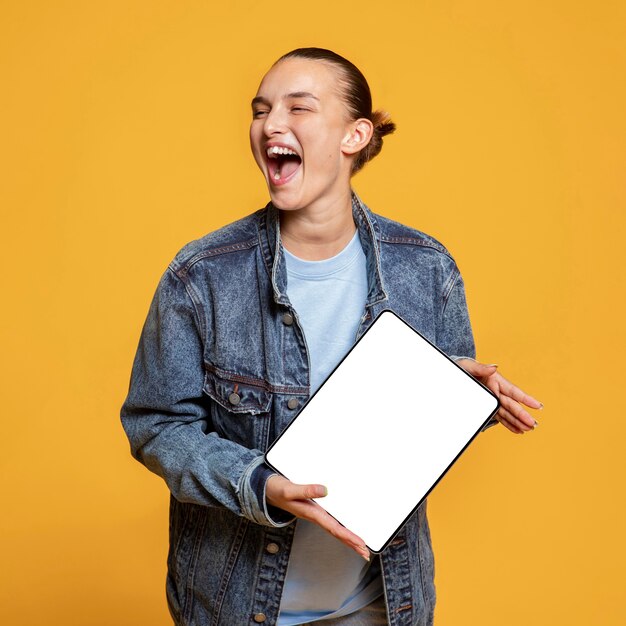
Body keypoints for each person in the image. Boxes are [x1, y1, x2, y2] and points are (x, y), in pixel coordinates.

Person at [120, 47, 542, 626]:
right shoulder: (200, 277)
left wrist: (463, 397)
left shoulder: (427, 268)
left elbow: (413, 445)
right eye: (261, 109)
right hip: (233, 608)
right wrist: (260, 483)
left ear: (355, 136)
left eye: (299, 108)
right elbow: (156, 427)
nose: (272, 124)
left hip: (382, 605)